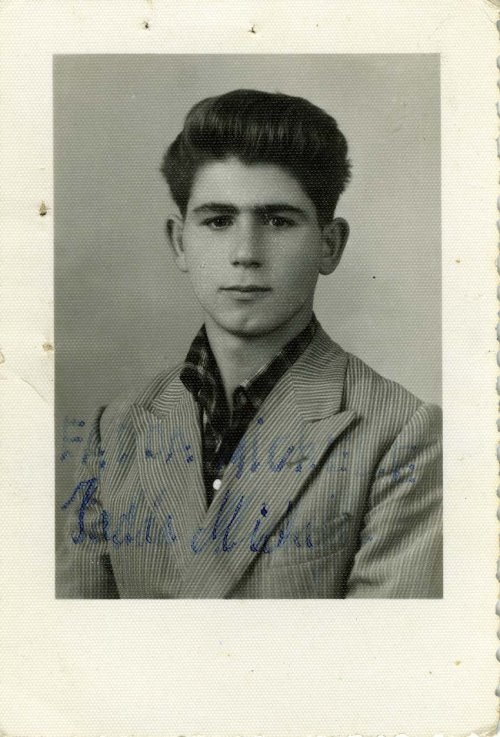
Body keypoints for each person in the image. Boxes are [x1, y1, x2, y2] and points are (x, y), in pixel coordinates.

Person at [59, 89, 442, 599]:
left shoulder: (402, 433)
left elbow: (380, 645)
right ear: (180, 243)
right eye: (218, 221)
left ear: (329, 245)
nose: (245, 253)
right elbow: (75, 638)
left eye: (278, 221)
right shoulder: (115, 430)